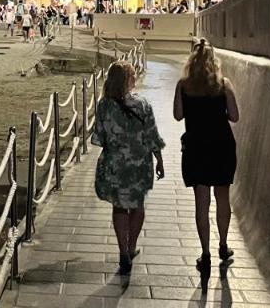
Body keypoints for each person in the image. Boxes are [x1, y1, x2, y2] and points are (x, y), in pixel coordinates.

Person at [92, 60, 165, 276]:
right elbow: (152, 136)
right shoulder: (142, 105)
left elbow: (100, 137)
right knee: (138, 207)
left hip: (115, 165)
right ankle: (131, 247)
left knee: (119, 207)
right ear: (128, 81)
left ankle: (122, 250)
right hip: (139, 165)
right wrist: (159, 160)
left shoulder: (104, 106)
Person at [174, 39, 240, 273]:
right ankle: (223, 245)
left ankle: (205, 253)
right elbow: (234, 116)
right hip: (222, 146)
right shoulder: (224, 84)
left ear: (191, 61)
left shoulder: (184, 85)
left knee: (201, 204)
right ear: (214, 61)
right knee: (223, 198)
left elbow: (177, 115)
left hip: (196, 147)